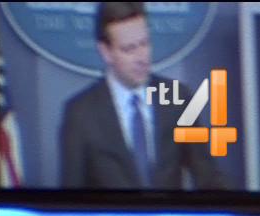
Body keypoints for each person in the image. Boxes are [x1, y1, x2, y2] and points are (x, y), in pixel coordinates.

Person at [57, 1, 228, 190]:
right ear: (106, 52)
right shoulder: (81, 113)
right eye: (129, 49)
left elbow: (209, 179)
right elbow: (71, 198)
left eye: (144, 44)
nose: (141, 58)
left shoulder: (177, 97)